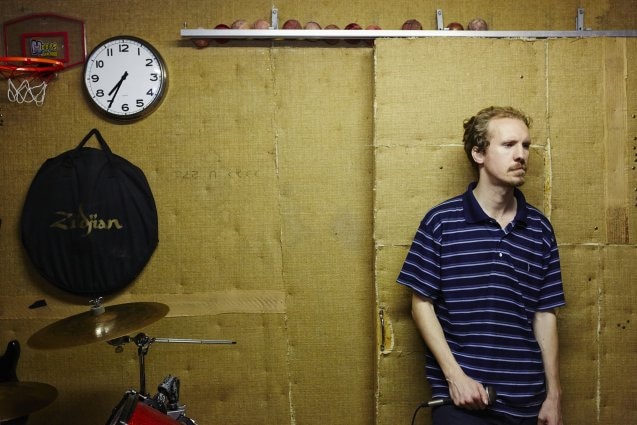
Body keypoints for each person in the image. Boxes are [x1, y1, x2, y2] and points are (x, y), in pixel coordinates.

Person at [397, 106, 565, 425]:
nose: (521, 155)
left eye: (526, 145)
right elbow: (421, 303)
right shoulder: (441, 222)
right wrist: (454, 377)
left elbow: (545, 313)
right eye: (508, 145)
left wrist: (554, 396)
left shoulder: (540, 229)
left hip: (528, 402)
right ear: (478, 153)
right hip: (464, 401)